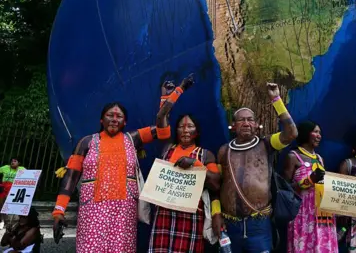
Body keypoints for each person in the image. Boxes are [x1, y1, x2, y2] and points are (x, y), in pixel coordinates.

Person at [51, 74, 195, 253]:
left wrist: (170, 96)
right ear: (101, 120)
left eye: (119, 116)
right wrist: (59, 211)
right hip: (92, 212)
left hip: (123, 212)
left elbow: (163, 131)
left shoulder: (133, 138)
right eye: (109, 115)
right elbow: (70, 177)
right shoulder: (86, 143)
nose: (114, 119)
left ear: (125, 122)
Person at [215, 82, 298, 253]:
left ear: (256, 124)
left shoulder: (266, 144)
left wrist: (276, 99)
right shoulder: (224, 151)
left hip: (259, 225)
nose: (246, 123)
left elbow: (291, 133)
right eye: (241, 120)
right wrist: (216, 214)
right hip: (230, 224)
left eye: (250, 119)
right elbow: (216, 185)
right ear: (234, 125)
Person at [148, 112, 221, 253]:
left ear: (197, 132)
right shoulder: (167, 150)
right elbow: (161, 119)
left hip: (190, 217)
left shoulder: (205, 155)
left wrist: (195, 163)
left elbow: (215, 184)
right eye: (181, 126)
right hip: (164, 215)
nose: (185, 130)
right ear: (176, 131)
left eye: (190, 126)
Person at [283, 121, 338, 253]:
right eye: (315, 132)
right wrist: (307, 181)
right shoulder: (293, 157)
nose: (319, 135)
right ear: (305, 134)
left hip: (322, 213)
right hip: (303, 214)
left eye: (320, 132)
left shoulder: (319, 159)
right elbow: (284, 189)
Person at [0, 158, 26, 229]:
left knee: (12, 206)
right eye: (12, 161)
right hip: (3, 188)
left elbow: (29, 176)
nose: (12, 162)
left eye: (15, 161)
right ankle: (2, 221)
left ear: (19, 163)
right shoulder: (5, 167)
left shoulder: (22, 169)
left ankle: (13, 222)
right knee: (1, 205)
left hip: (14, 189)